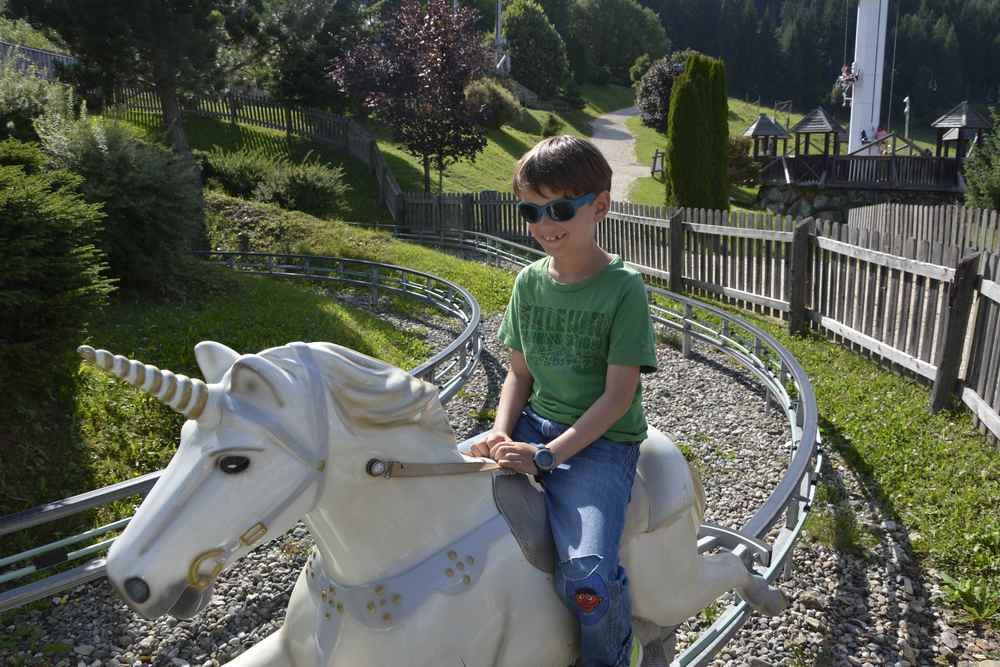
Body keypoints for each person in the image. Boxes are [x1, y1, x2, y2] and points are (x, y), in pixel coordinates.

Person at [469, 135, 657, 667]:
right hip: (532, 423)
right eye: (532, 210)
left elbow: (619, 397)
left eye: (559, 208)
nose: (543, 223)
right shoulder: (528, 283)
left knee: (585, 576)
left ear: (600, 206)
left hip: (600, 446)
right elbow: (518, 373)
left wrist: (550, 457)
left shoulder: (623, 289)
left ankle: (614, 653)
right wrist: (503, 431)